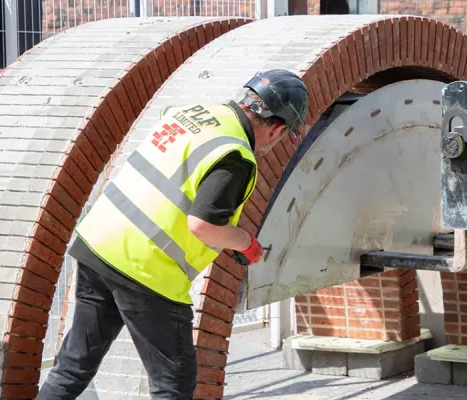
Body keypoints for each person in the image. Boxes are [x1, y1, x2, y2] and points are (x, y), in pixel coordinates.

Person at [37, 69, 309, 400]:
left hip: (99, 244)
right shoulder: (235, 155)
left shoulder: (194, 114)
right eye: (284, 135)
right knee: (174, 383)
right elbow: (203, 225)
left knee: (72, 367)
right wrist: (246, 243)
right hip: (147, 268)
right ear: (277, 127)